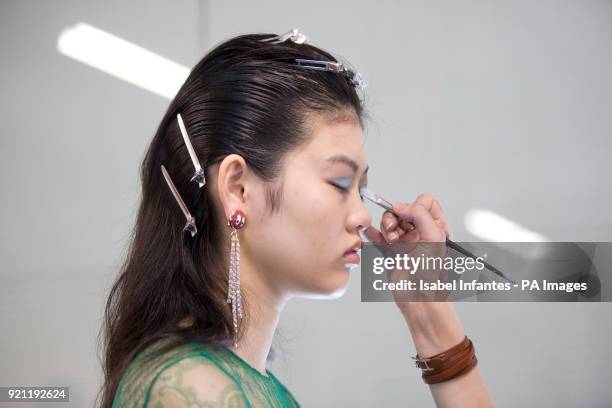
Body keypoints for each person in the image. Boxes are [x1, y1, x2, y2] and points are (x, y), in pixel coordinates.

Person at [98, 29, 494, 407]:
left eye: (361, 190)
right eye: (340, 183)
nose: (361, 216)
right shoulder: (194, 389)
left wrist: (429, 312)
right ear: (238, 189)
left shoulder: (237, 382)